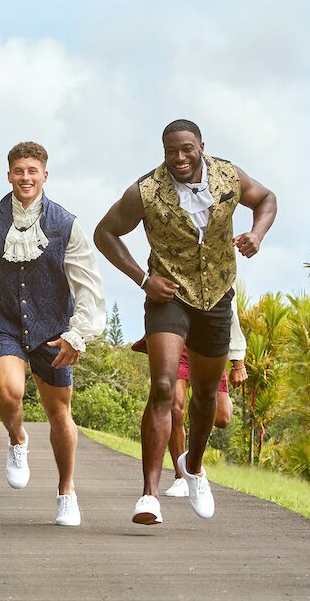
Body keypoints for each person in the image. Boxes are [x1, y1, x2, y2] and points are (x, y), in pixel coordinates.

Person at [94, 119, 276, 525]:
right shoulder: (145, 191)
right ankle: (149, 495)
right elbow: (104, 233)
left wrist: (257, 234)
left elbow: (266, 198)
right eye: (171, 151)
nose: (179, 157)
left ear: (201, 147)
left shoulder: (228, 175)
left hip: (216, 296)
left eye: (186, 149)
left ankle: (193, 468)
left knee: (206, 397)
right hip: (169, 295)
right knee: (162, 387)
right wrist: (143, 280)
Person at [0, 141, 106, 526]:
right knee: (9, 392)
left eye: (32, 171)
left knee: (59, 414)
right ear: (9, 175)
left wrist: (78, 334)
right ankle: (17, 439)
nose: (25, 177)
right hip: (6, 325)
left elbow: (87, 283)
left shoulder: (66, 224)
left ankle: (66, 492)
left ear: (44, 175)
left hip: (54, 329)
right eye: (18, 171)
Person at [129, 301, 247, 498]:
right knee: (175, 407)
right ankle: (180, 477)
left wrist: (238, 361)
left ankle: (191, 462)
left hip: (207, 338)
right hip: (176, 337)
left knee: (222, 417)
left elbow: (230, 307)